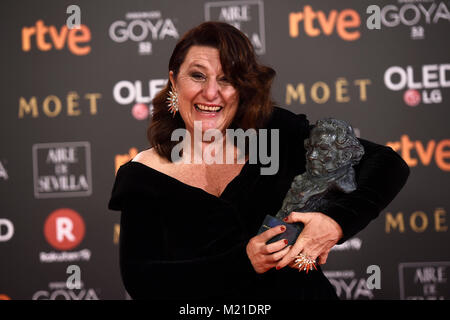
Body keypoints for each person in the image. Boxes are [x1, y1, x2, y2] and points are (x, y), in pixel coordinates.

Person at [108, 22, 409, 300]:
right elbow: (142, 280)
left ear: (242, 89)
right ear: (174, 80)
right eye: (197, 75)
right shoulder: (143, 175)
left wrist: (337, 222)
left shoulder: (275, 131)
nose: (211, 92)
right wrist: (243, 261)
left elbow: (385, 163)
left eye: (226, 79)